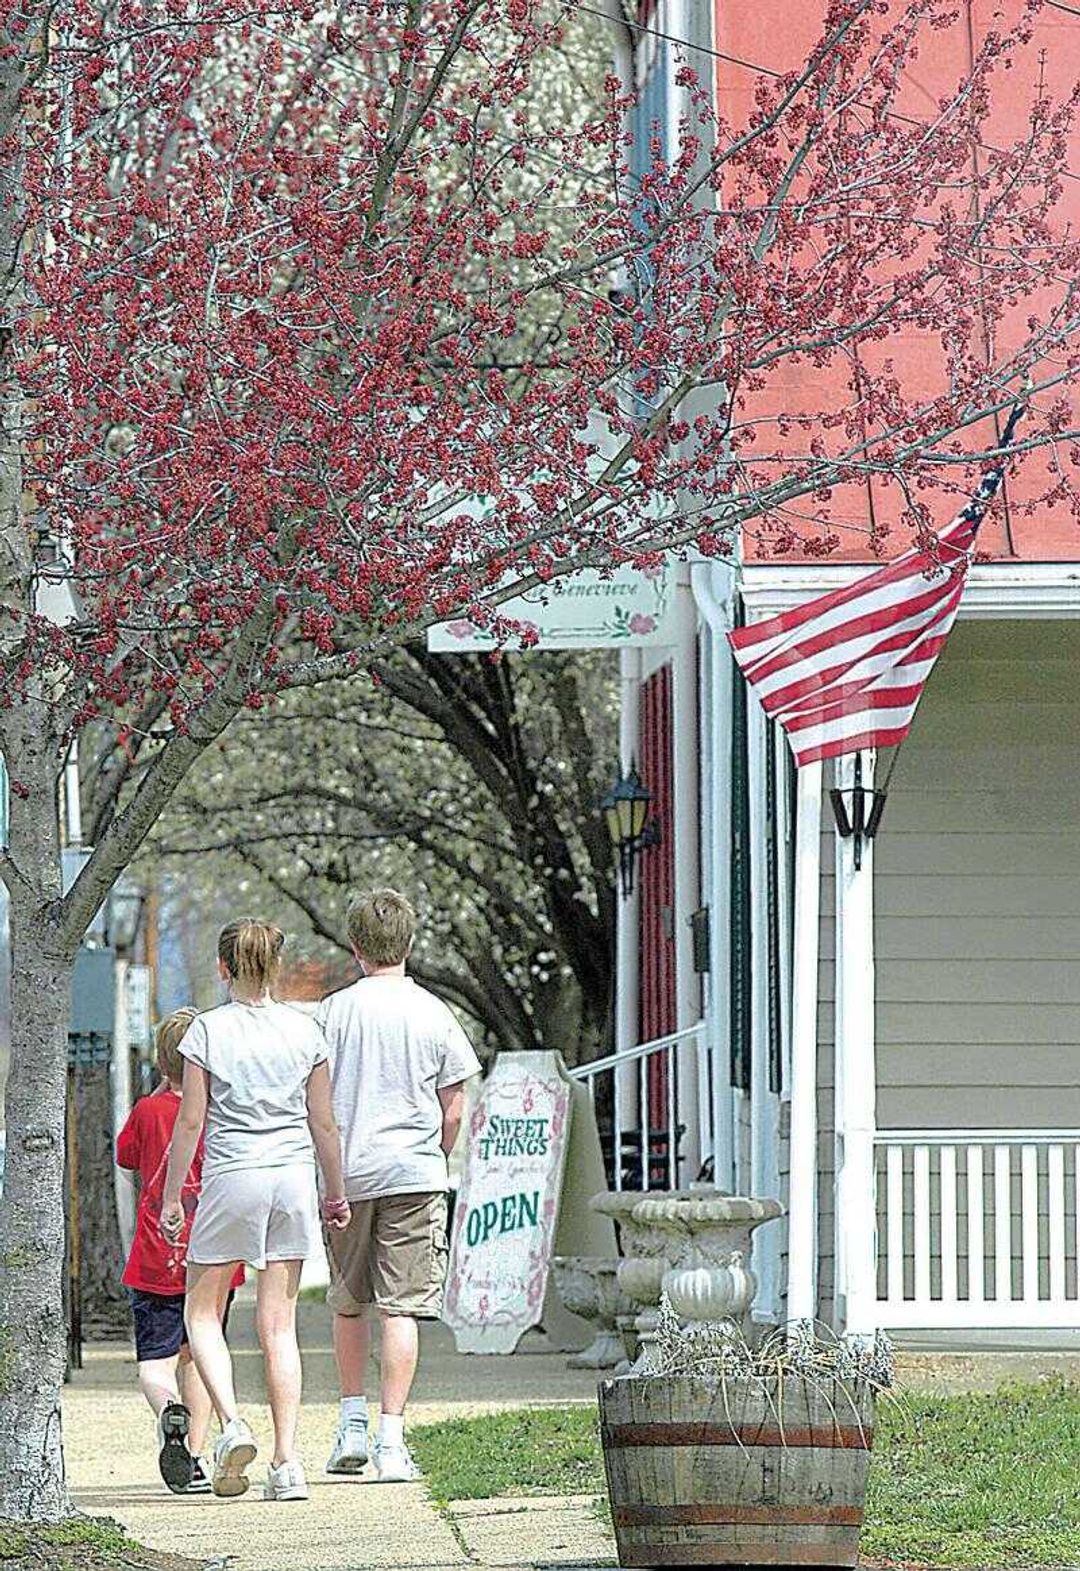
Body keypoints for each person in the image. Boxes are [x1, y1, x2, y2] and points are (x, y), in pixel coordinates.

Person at [161, 920, 351, 1503]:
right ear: (276, 966)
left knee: (201, 1311)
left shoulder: (207, 1032)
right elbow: (324, 1123)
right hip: (291, 1179)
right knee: (279, 1327)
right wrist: (335, 1193)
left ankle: (231, 1424)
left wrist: (171, 1197)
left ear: (223, 968)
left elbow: (191, 1122)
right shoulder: (306, 1031)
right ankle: (287, 1463)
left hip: (232, 1177)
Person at [316, 888, 482, 1483]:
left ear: (354, 946)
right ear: (409, 943)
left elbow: (315, 1100)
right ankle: (391, 1438)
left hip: (349, 1175)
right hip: (414, 1173)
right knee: (401, 1308)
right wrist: (438, 1150)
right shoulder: (434, 1012)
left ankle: (350, 1422)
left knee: (348, 1301)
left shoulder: (331, 1014)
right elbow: (454, 1104)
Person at [116, 1007, 243, 1495]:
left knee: (156, 1362)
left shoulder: (148, 1111)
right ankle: (195, 1458)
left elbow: (126, 1155)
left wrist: (153, 1098)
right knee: (199, 1354)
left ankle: (168, 1409)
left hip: (155, 1258)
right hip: (211, 1254)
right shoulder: (219, 1114)